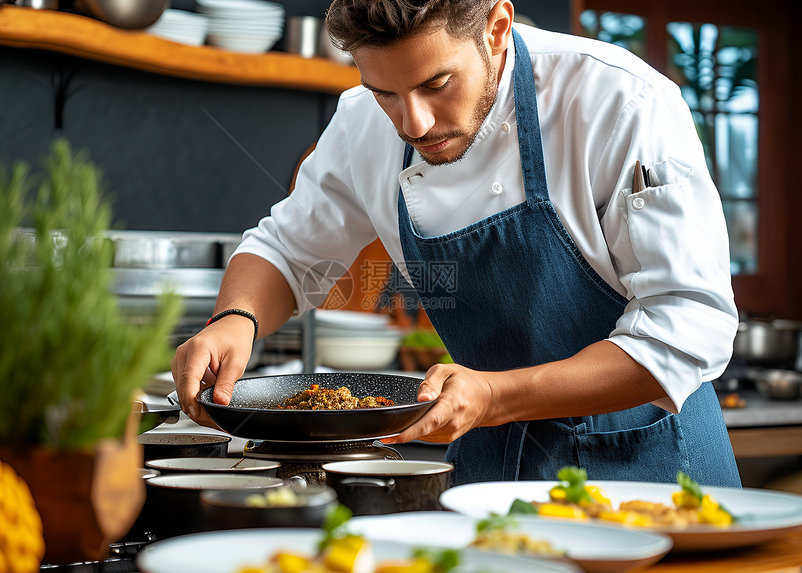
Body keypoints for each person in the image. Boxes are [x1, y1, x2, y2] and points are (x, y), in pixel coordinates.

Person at [172, 0, 742, 487]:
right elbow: (289, 254)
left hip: (652, 470)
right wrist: (234, 319)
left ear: (496, 28)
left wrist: (494, 396)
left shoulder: (618, 101)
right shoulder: (361, 125)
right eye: (384, 93)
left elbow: (687, 326)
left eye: (436, 84)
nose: (413, 122)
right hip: (487, 472)